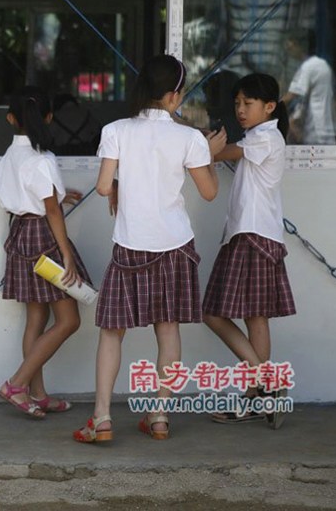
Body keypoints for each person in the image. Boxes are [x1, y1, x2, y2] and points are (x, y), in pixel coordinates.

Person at [73, 55, 226, 443]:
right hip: (175, 244)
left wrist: (125, 185)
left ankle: (102, 418)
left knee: (112, 332)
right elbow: (209, 193)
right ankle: (159, 417)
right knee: (168, 329)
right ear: (174, 95)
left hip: (131, 244)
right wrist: (208, 154)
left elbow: (105, 187)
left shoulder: (116, 130)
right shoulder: (189, 138)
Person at [203, 73, 296, 429]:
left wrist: (202, 147)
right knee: (255, 317)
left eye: (248, 103)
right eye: (237, 103)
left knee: (213, 313)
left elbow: (224, 152)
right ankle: (259, 396)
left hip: (252, 237)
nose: (240, 110)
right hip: (253, 236)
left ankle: (263, 384)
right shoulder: (259, 136)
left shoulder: (266, 137)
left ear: (269, 107)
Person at [0, 85, 92, 418]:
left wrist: (57, 196)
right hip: (44, 237)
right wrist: (65, 254)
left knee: (37, 317)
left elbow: (29, 196)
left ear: (10, 119)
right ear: (49, 117)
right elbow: (51, 212)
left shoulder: (10, 156)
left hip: (20, 233)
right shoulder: (42, 159)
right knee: (69, 320)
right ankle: (17, 385)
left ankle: (37, 394)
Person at [281, 29, 336, 145]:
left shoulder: (309, 67)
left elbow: (292, 95)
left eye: (290, 46)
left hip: (315, 128)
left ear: (300, 45)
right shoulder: (322, 64)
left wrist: (268, 110)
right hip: (325, 127)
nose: (289, 50)